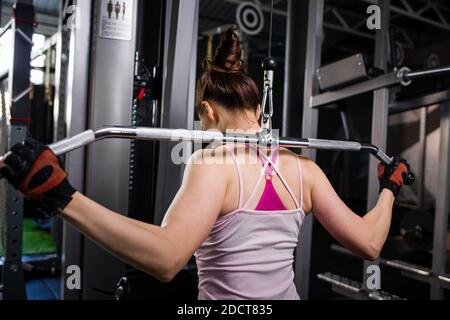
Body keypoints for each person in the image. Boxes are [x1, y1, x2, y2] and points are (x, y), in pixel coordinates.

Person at [0, 27, 411, 300]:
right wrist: (390, 189)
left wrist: (62, 197)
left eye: (200, 118)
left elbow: (166, 259)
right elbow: (370, 243)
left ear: (207, 111)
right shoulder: (305, 170)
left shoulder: (211, 163)